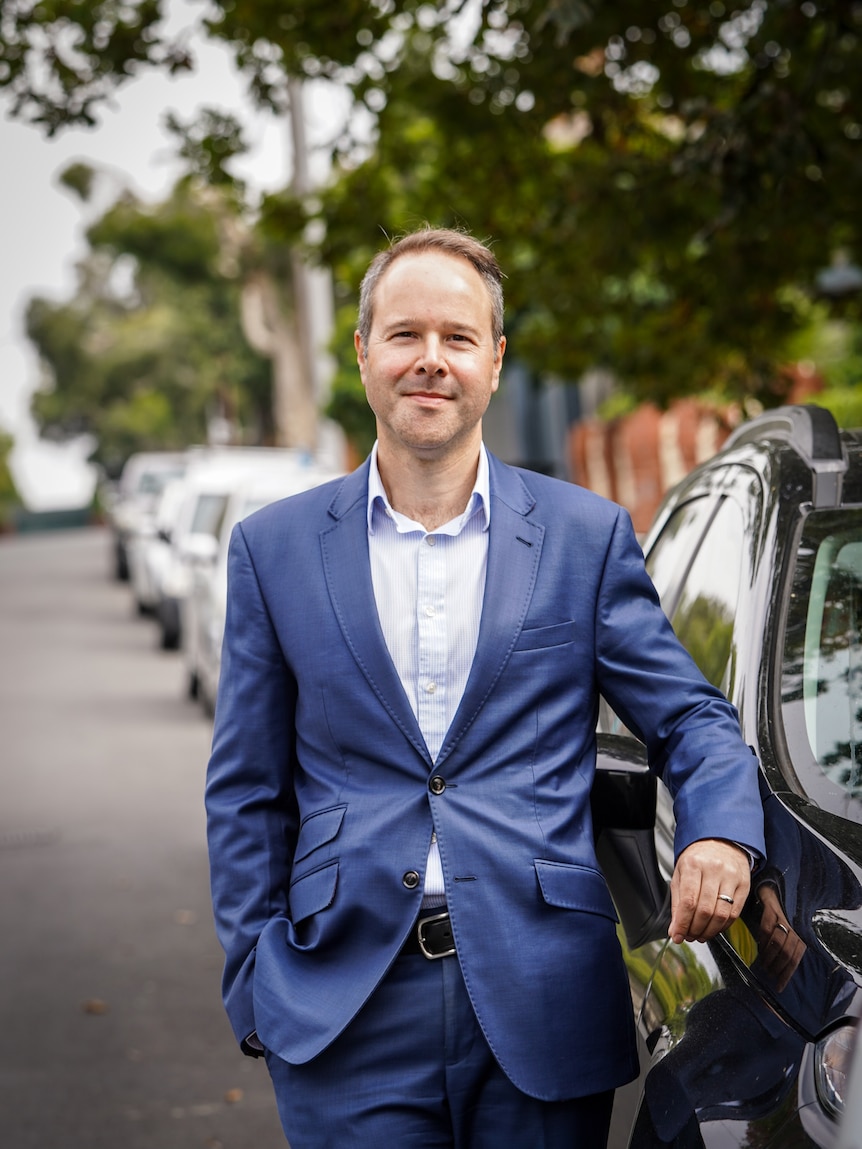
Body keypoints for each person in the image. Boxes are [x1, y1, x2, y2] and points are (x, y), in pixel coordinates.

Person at [205, 226, 765, 1148]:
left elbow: (692, 716)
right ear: (363, 353)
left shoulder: (585, 537)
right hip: (344, 1009)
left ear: (495, 361)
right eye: (405, 335)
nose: (431, 361)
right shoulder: (274, 550)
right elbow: (246, 788)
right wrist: (256, 983)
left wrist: (720, 830)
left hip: (541, 998)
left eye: (458, 338)